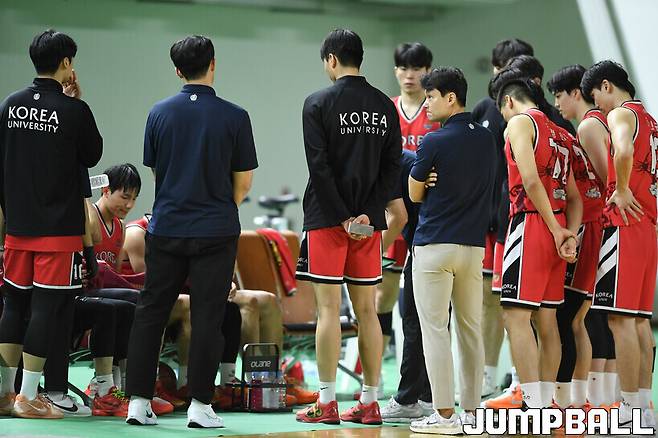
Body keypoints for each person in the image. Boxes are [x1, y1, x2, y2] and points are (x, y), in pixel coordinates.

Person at [124, 35, 257, 428]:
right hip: (215, 230)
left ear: (177, 70)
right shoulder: (236, 116)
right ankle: (200, 405)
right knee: (208, 316)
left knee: (151, 312)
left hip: (166, 226)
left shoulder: (158, 113)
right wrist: (218, 207)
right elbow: (243, 183)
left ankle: (137, 403)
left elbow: (157, 171)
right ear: (213, 64)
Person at [294, 28, 401, 425]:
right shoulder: (385, 106)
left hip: (327, 220)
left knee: (327, 310)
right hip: (368, 224)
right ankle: (370, 401)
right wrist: (368, 214)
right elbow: (392, 167)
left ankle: (326, 403)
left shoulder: (317, 102)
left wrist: (342, 216)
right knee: (367, 311)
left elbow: (318, 167)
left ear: (332, 60)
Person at [0, 29, 102, 419]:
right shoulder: (74, 111)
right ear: (66, 63)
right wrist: (75, 102)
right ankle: (28, 397)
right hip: (58, 233)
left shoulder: (10, 105)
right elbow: (92, 154)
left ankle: (4, 394)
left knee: (13, 307)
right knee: (44, 310)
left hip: (17, 228)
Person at [407, 67, 495, 435]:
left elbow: (414, 194)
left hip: (434, 247)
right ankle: (471, 413)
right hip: (473, 249)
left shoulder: (433, 141)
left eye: (430, 96)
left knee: (435, 332)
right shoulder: (488, 140)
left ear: (450, 98)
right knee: (471, 331)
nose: (426, 103)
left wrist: (426, 180)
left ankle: (444, 416)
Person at [493, 76, 582, 409]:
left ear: (509, 102)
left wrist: (556, 230)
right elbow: (575, 197)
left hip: (531, 224)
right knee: (547, 320)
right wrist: (568, 233)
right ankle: (546, 402)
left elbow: (530, 181)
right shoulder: (562, 133)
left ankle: (531, 404)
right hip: (557, 224)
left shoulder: (519, 123)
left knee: (515, 317)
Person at [582, 60, 657, 428]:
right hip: (648, 226)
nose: (597, 105)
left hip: (624, 225)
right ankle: (642, 408)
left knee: (620, 320)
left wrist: (623, 188)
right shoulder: (651, 121)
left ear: (607, 85)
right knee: (639, 322)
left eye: (595, 97)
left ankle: (628, 411)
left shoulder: (621, 115)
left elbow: (622, 150)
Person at [375, 41, 438, 404]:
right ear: (396, 71)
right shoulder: (387, 109)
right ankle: (376, 374)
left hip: (425, 211)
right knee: (382, 295)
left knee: (423, 303)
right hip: (393, 207)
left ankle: (425, 383)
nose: (409, 75)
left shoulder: (436, 108)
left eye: (416, 68)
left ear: (428, 70)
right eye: (403, 68)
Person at [471, 38, 533, 399]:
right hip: (488, 222)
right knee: (488, 301)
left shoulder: (539, 117)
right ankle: (488, 376)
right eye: (505, 66)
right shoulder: (484, 110)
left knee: (524, 306)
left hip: (525, 221)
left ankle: (522, 379)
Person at [547, 64, 610, 410]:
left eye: (560, 95)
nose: (557, 103)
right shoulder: (596, 122)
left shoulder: (588, 125)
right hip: (594, 225)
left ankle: (575, 400)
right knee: (582, 318)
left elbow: (607, 182)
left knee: (572, 318)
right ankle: (589, 399)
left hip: (593, 226)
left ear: (576, 93)